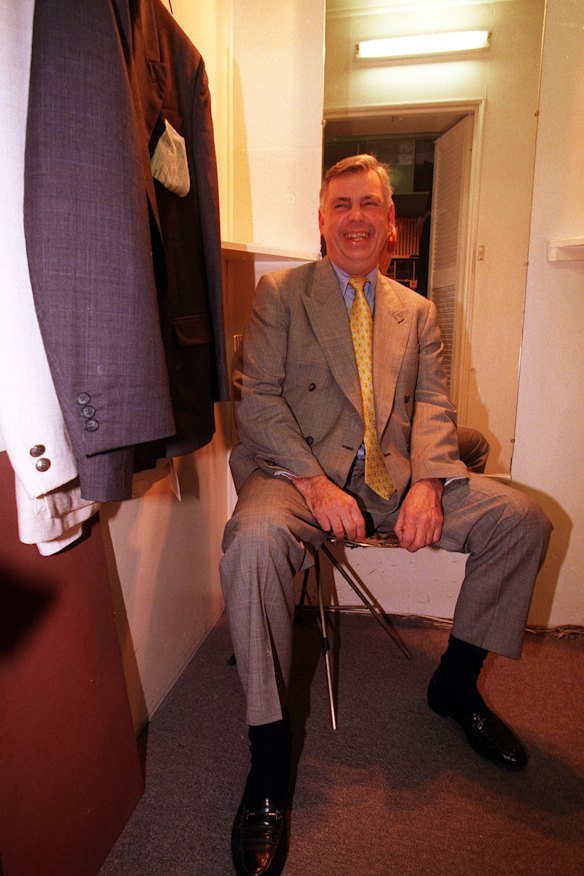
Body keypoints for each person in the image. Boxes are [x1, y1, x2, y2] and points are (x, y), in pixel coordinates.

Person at [221, 154, 551, 876]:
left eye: (369, 205)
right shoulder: (282, 293)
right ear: (321, 219)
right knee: (252, 543)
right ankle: (268, 764)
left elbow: (434, 404)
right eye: (341, 205)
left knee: (520, 521)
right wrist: (312, 481)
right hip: (295, 476)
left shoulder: (419, 311)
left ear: (391, 223)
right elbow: (258, 401)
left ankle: (455, 688)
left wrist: (430, 483)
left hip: (393, 478)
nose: (357, 219)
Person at [378, 215, 491, 474]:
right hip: (391, 435)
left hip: (406, 423)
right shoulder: (406, 308)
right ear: (393, 241)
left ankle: (446, 488)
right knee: (476, 443)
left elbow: (432, 397)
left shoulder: (417, 309)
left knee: (472, 440)